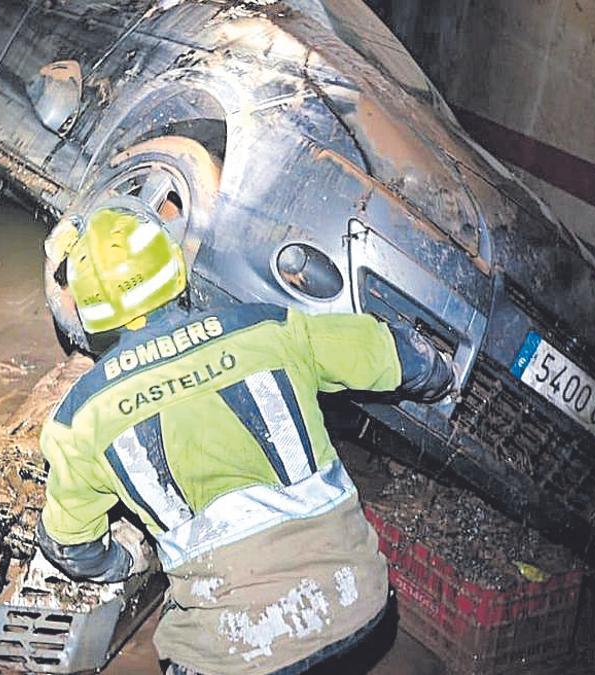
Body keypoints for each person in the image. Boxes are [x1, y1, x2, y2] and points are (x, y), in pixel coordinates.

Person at [36, 197, 454, 674]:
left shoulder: (79, 419)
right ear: (174, 266)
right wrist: (439, 375)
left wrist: (123, 562)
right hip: (359, 608)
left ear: (88, 310)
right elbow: (403, 358)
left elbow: (68, 545)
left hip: (232, 656)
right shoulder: (270, 327)